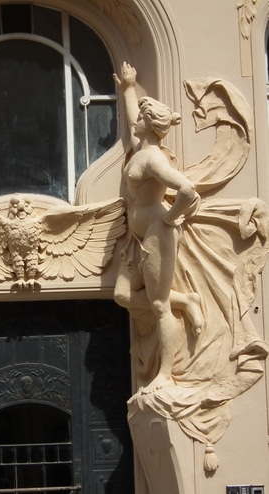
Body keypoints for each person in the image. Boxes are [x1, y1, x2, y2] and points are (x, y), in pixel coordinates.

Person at [113, 63, 203, 394]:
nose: (136, 120)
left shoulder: (154, 160)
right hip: (137, 237)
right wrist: (128, 87)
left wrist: (169, 218)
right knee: (122, 295)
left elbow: (187, 190)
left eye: (141, 118)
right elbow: (132, 117)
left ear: (150, 126)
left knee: (160, 305)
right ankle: (187, 300)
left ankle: (165, 374)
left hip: (156, 234)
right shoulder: (141, 148)